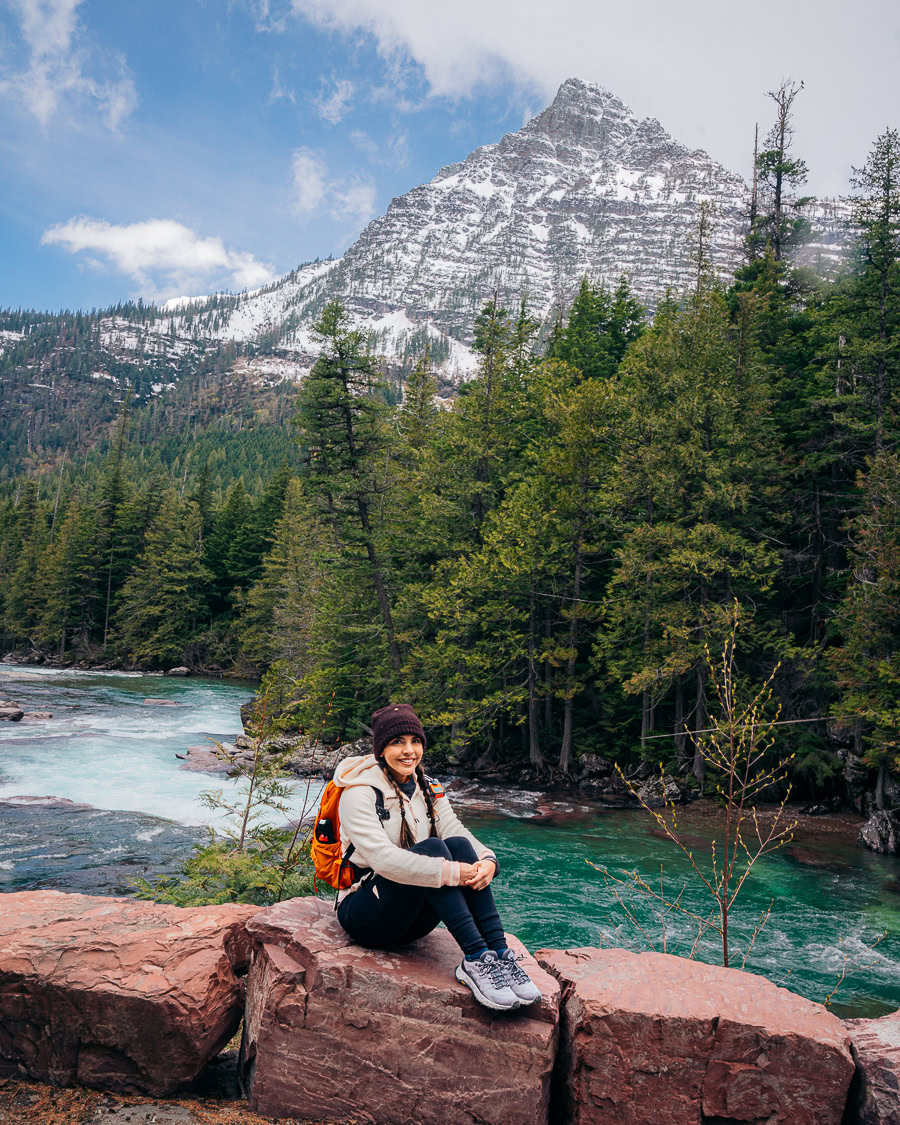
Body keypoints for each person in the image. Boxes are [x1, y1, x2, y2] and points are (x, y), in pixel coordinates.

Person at [333, 703, 542, 1012]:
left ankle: (499, 955)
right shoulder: (358, 793)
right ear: (380, 750)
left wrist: (487, 860)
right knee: (434, 849)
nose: (409, 751)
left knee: (455, 843)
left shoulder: (428, 786)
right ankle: (474, 959)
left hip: (413, 922)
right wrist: (454, 874)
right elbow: (384, 860)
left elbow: (456, 830)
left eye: (415, 741)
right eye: (397, 742)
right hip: (367, 916)